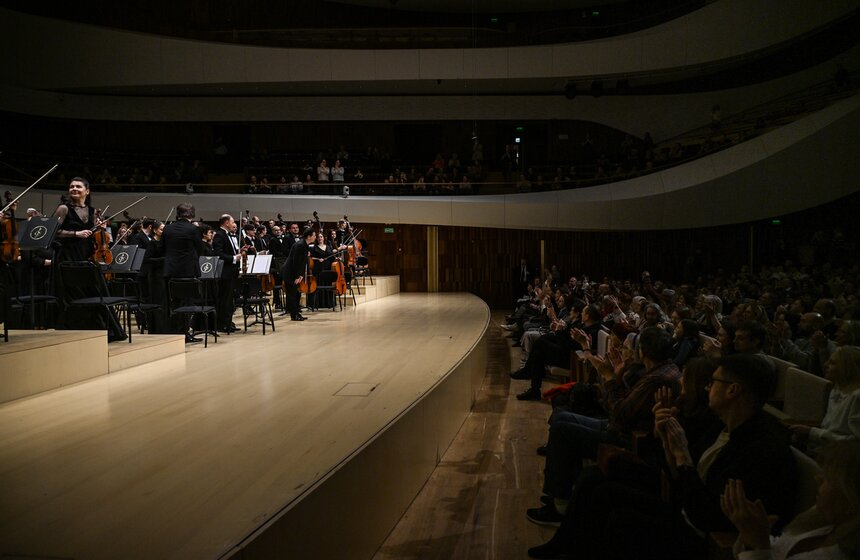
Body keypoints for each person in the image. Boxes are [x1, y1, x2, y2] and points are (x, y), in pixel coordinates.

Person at [527, 353, 797, 560]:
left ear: (733, 390)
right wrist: (665, 440)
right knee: (594, 479)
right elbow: (676, 476)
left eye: (714, 382)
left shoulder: (760, 448)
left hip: (702, 533)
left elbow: (705, 513)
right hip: (684, 502)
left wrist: (681, 456)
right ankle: (567, 546)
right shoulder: (721, 424)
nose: (707, 388)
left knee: (619, 517)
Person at [723, 440, 860, 560]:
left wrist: (758, 545)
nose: (817, 478)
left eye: (828, 478)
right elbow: (777, 549)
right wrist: (754, 533)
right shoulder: (822, 520)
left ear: (852, 498)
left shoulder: (842, 554)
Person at [790, 346, 860, 455]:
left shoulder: (857, 396)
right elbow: (828, 428)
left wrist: (812, 433)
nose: (825, 364)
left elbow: (855, 443)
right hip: (823, 449)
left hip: (840, 457)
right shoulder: (836, 390)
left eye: (832, 363)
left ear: (847, 368)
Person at [212, 214, 243, 333]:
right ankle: (223, 324)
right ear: (226, 223)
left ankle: (228, 322)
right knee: (225, 299)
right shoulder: (220, 235)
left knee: (230, 300)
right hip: (225, 272)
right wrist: (234, 258)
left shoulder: (226, 234)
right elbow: (218, 253)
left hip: (231, 272)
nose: (234, 224)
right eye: (232, 222)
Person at [282, 228, 315, 321]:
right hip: (290, 272)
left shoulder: (304, 244)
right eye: (314, 235)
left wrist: (301, 275)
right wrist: (297, 276)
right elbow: (296, 262)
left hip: (294, 272)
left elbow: (302, 261)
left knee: (296, 294)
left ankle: (296, 313)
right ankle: (294, 315)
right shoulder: (300, 245)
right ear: (309, 236)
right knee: (292, 294)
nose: (315, 237)